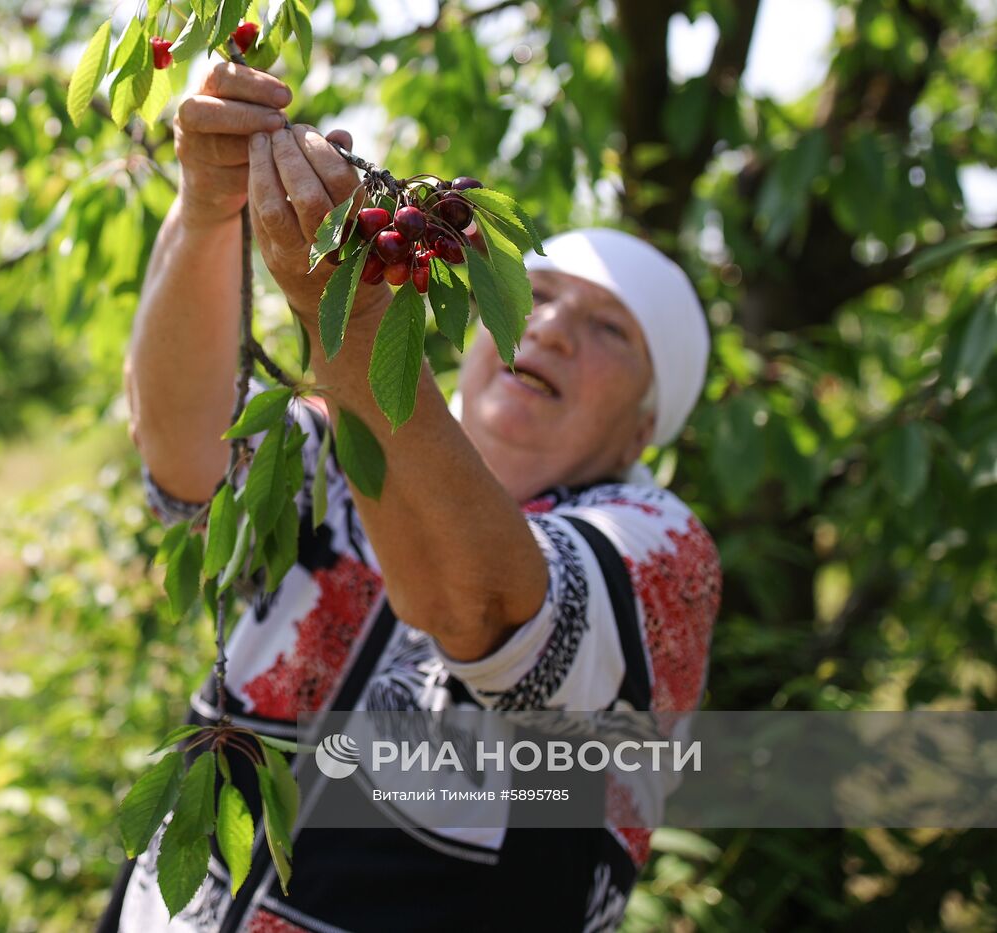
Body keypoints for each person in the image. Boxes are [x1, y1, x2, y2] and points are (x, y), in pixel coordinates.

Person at [105, 61, 721, 933]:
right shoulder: (335, 445)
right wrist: (209, 209)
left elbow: (477, 605)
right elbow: (180, 449)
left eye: (609, 329)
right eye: (537, 296)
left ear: (646, 422)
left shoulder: (657, 546)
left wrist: (343, 317)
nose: (549, 328)